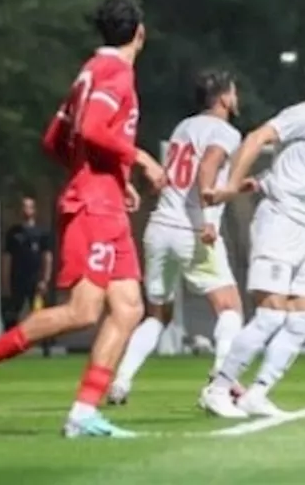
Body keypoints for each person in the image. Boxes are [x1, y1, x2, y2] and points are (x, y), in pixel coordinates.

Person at [0, 0, 167, 438]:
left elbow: (55, 139)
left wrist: (113, 176)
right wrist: (138, 159)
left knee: (128, 309)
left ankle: (83, 413)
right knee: (83, 312)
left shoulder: (88, 72)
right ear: (140, 33)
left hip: (103, 199)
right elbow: (90, 130)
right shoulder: (115, 73)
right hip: (93, 207)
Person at [200, 58, 305, 419]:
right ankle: (218, 388)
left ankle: (256, 394)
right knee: (270, 316)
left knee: (301, 318)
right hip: (278, 222)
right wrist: (231, 185)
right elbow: (257, 137)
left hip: (302, 229)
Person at [109, 69, 254, 405]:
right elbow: (206, 168)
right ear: (223, 97)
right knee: (229, 307)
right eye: (233, 92)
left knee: (157, 315)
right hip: (191, 229)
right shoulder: (225, 132)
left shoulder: (183, 127)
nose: (237, 98)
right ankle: (222, 381)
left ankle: (121, 381)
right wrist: (206, 217)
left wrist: (230, 190)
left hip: (160, 227)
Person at [2, 195, 54, 332]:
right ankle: (9, 346)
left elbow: (47, 257)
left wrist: (45, 280)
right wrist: (6, 282)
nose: (26, 210)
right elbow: (7, 259)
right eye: (23, 207)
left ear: (34, 210)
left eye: (29, 207)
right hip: (17, 280)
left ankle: (45, 347)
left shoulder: (42, 233)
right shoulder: (13, 233)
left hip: (35, 280)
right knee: (12, 314)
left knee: (39, 313)